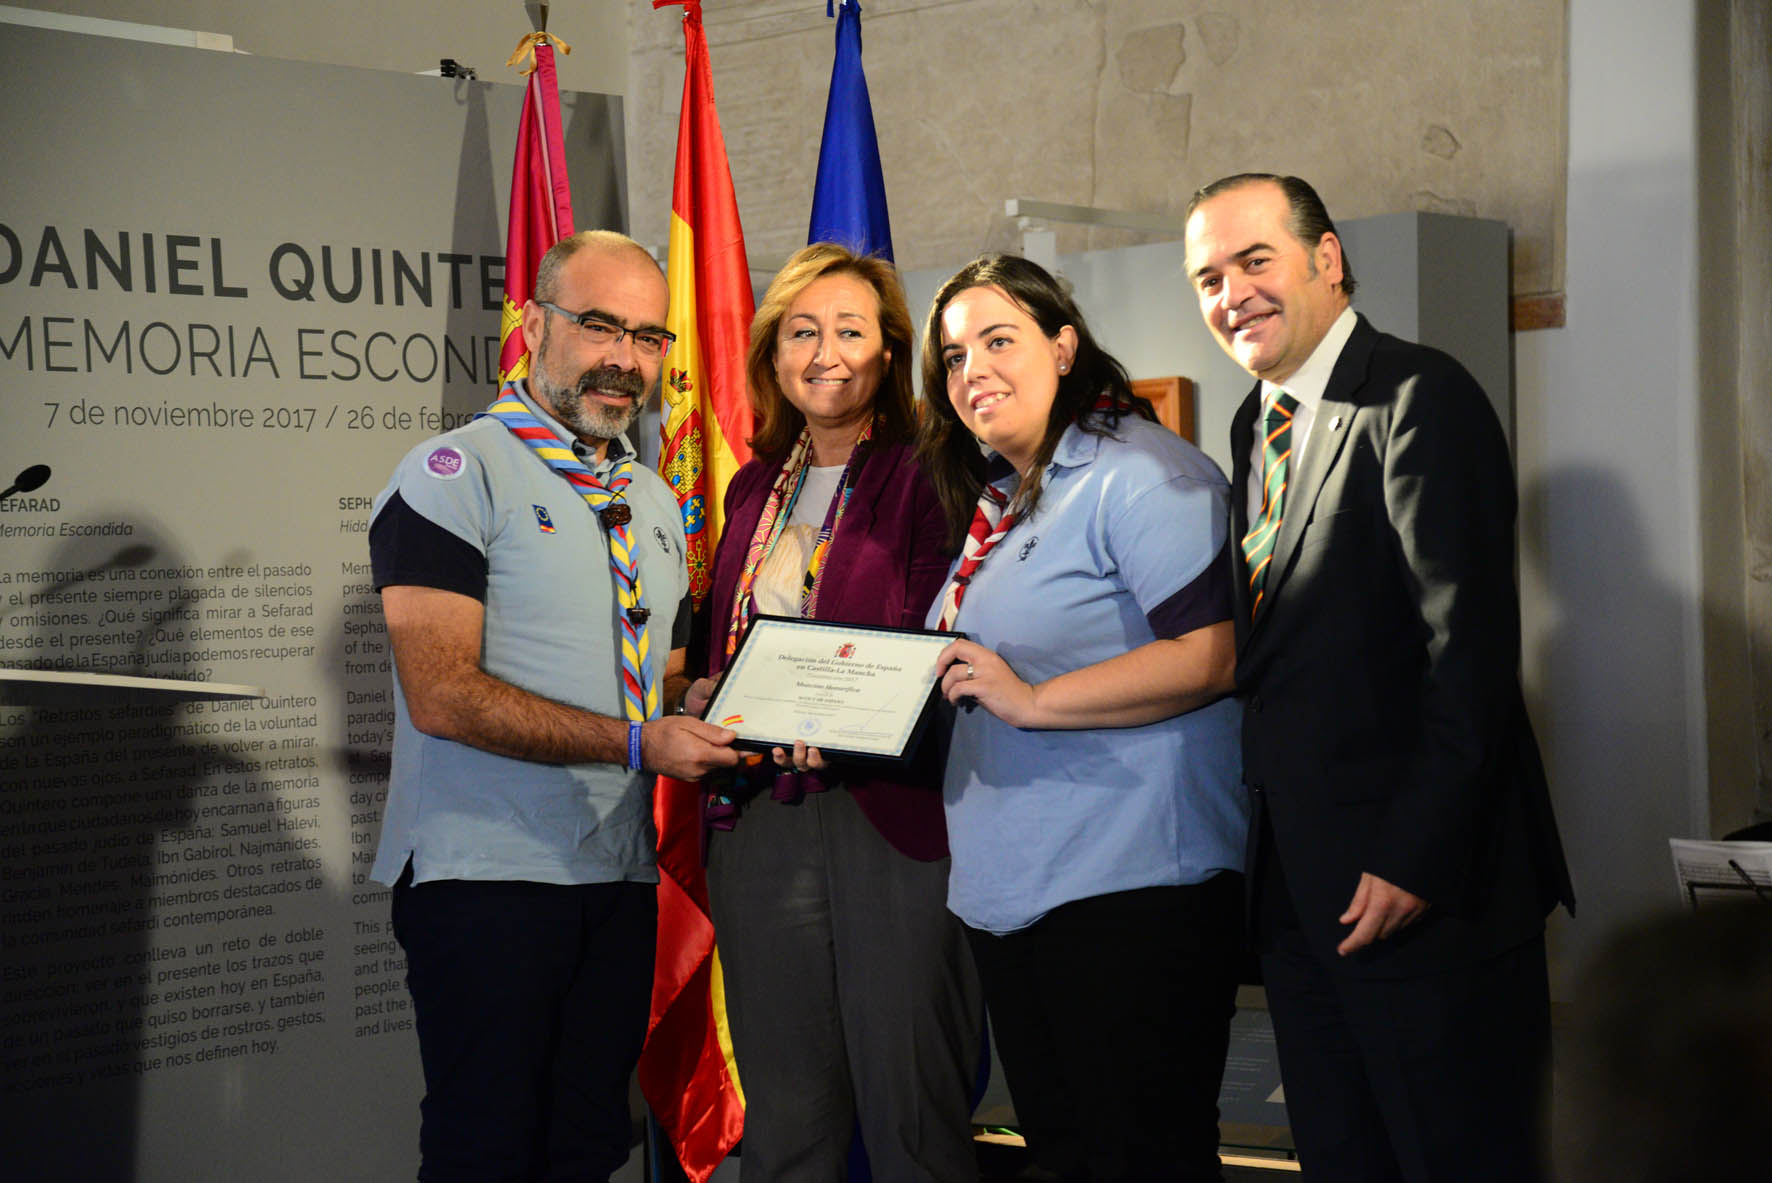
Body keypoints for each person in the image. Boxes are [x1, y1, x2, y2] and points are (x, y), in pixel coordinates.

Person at [1182, 173, 1576, 1181]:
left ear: (1326, 259)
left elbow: (1467, 655)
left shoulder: (1416, 396)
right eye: (1207, 278)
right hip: (1301, 898)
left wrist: (1412, 857)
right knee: (1341, 1155)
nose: (1231, 294)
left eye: (1253, 261)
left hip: (1424, 896)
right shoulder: (1248, 423)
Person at [368, 229, 741, 1182]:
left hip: (615, 881)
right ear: (533, 325)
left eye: (650, 337)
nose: (624, 357)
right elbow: (443, 695)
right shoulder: (453, 476)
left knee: (583, 1147)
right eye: (599, 325)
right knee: (484, 1147)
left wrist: (689, 701)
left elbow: (645, 676)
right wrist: (635, 740)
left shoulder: (655, 499)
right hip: (484, 882)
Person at [916, 252, 1247, 1183]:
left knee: (1140, 1158)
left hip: (1132, 888)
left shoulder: (1139, 472)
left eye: (998, 339)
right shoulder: (1002, 497)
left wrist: (1033, 700)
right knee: (1066, 1156)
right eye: (951, 355)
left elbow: (1214, 653)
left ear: (1064, 348)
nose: (971, 367)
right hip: (1020, 889)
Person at [681, 243, 984, 1183]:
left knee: (912, 1113)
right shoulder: (746, 488)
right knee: (786, 1113)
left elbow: (945, 642)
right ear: (773, 355)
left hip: (889, 816)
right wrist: (707, 689)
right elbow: (731, 641)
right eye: (803, 331)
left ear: (889, 354)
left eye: (852, 330)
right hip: (763, 816)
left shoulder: (936, 473)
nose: (827, 352)